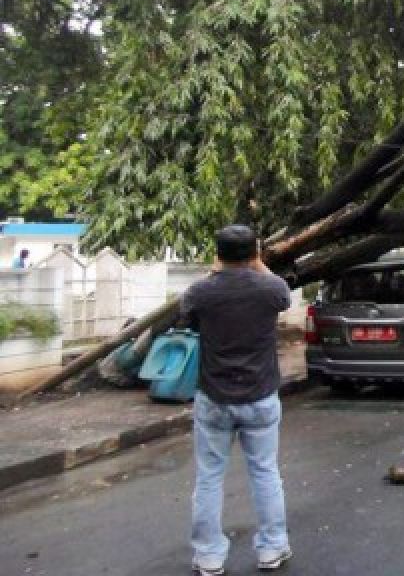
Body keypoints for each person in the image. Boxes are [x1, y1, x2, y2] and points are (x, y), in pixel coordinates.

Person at [178, 225, 293, 575]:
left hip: (214, 398)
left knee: (209, 477)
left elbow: (190, 319)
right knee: (265, 472)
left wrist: (215, 271)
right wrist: (259, 265)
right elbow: (284, 297)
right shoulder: (270, 288)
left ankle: (209, 557)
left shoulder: (200, 292)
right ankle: (272, 548)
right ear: (255, 253)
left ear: (217, 253)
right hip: (260, 396)